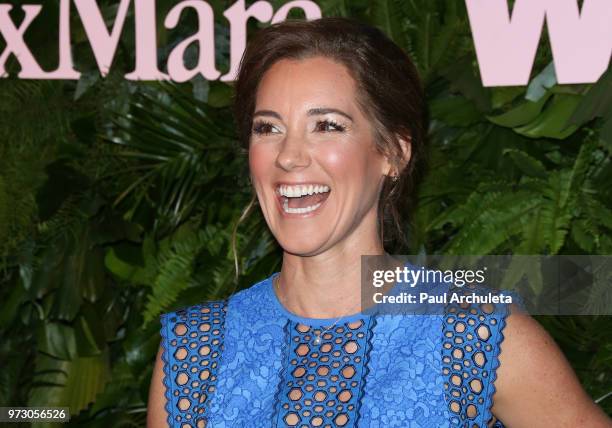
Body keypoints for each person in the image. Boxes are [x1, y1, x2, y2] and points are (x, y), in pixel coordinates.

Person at [147, 17, 611, 427]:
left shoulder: (476, 334)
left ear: (392, 153)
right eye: (267, 127)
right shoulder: (192, 350)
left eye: (327, 125)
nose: (288, 157)